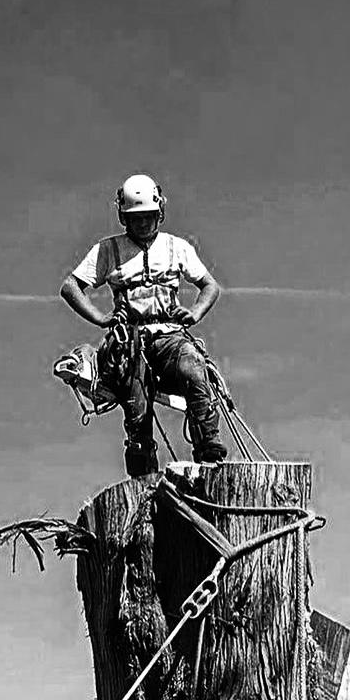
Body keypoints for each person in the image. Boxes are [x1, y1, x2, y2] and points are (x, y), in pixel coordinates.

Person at [60, 173, 227, 477]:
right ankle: (143, 481)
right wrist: (100, 319)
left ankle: (210, 456)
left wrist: (196, 312)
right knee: (137, 412)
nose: (142, 224)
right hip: (129, 342)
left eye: (148, 217)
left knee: (193, 369)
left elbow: (210, 285)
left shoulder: (178, 247)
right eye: (135, 218)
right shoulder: (107, 250)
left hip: (170, 336)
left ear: (159, 213)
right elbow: (71, 287)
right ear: (123, 216)